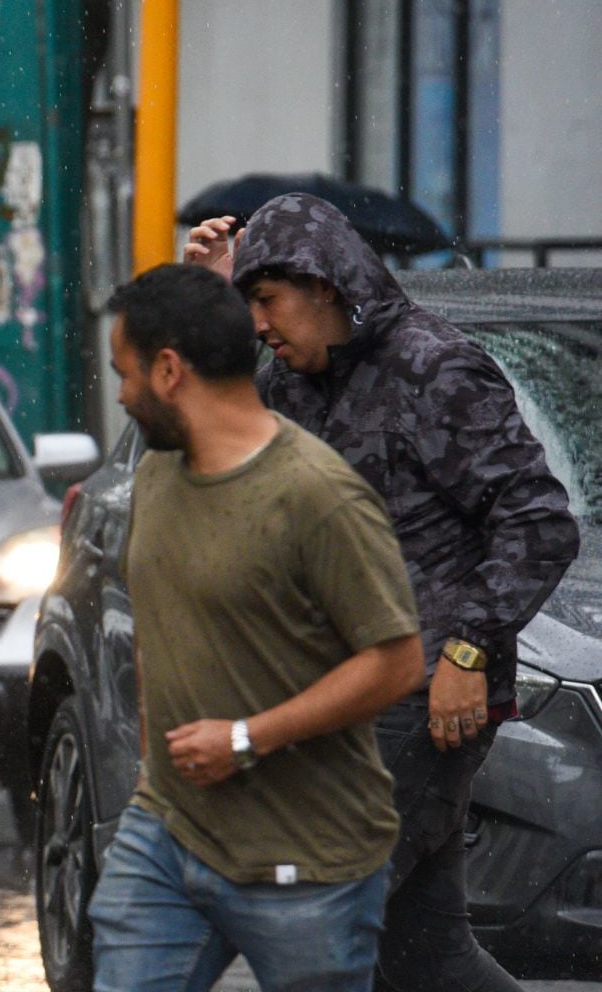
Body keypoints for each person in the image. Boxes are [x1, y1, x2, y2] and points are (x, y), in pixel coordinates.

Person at [186, 195, 579, 991]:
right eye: (250, 304)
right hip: (342, 693)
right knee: (424, 953)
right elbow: (210, 435)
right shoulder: (297, 385)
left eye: (267, 302)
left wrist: (470, 649)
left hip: (421, 692)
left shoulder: (434, 367)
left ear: (324, 284)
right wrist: (212, 301)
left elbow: (539, 522)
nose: (259, 323)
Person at [89, 263, 426, 991]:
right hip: (167, 832)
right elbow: (160, 622)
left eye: (125, 374)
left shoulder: (318, 495)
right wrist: (155, 769)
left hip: (309, 858)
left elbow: (397, 663)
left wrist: (247, 738)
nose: (120, 394)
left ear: (170, 370)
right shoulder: (154, 477)